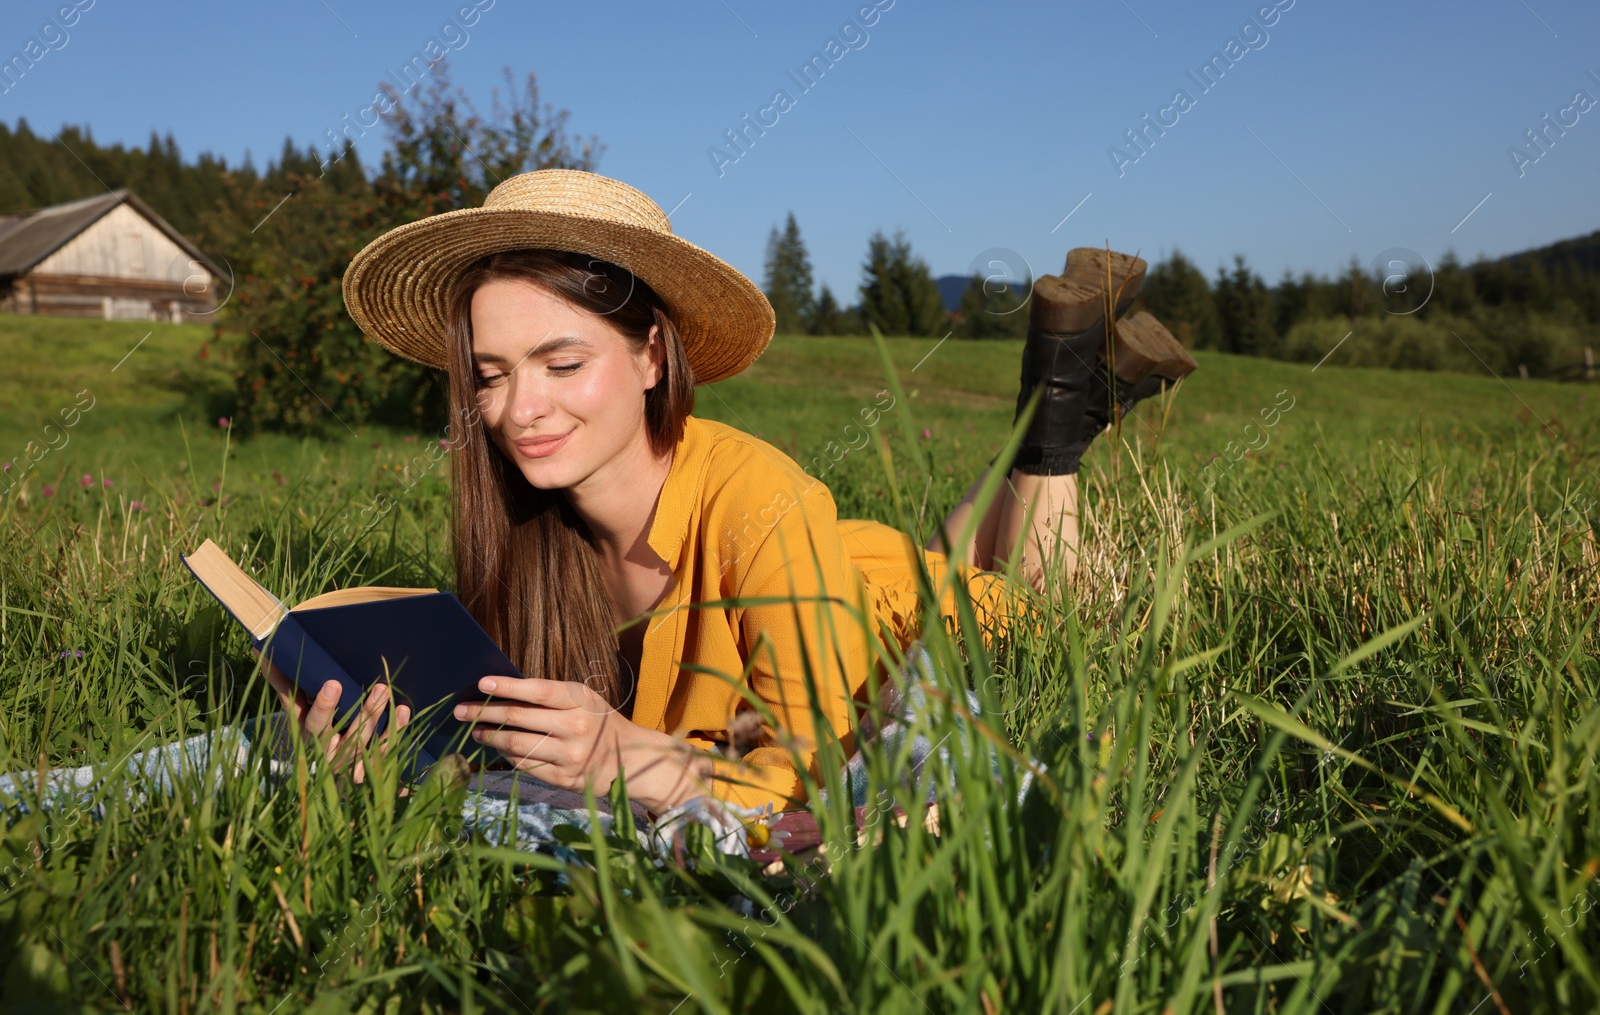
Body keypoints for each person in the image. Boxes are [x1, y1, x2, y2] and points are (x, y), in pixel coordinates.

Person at [270, 169, 1197, 821]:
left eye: (561, 362)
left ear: (651, 355)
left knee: (1029, 600)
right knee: (951, 557)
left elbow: (812, 781)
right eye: (490, 373)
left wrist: (625, 758)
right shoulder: (519, 521)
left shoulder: (757, 495)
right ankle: (1064, 388)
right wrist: (389, 747)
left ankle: (1059, 410)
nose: (520, 410)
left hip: (905, 621)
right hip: (849, 565)